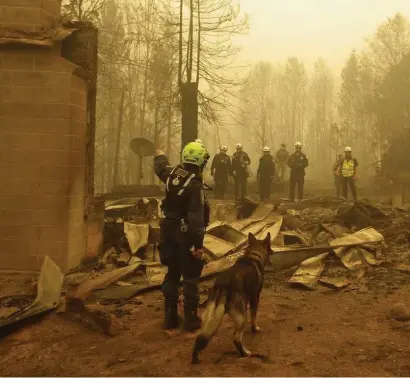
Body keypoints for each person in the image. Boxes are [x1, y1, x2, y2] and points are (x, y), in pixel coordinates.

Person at [154, 141, 211, 332]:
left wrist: (160, 154)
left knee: (172, 272)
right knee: (190, 276)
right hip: (185, 236)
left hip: (167, 232)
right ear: (200, 162)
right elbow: (196, 220)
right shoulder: (195, 186)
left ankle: (169, 318)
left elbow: (160, 167)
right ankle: (190, 320)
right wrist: (198, 246)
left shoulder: (173, 175)